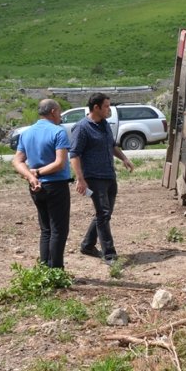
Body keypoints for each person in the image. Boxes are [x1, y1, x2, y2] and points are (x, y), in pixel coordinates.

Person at [70, 93, 134, 264]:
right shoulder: (82, 127)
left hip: (109, 175)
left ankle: (87, 245)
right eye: (106, 106)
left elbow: (112, 145)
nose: (109, 109)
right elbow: (74, 155)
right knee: (103, 213)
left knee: (104, 213)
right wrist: (80, 179)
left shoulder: (105, 124)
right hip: (94, 177)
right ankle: (110, 254)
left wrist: (124, 159)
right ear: (96, 107)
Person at [11, 99, 71, 268]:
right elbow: (60, 163)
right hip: (56, 185)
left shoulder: (27, 133)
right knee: (58, 230)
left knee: (46, 230)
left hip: (36, 188)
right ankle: (56, 271)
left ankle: (44, 269)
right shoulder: (58, 132)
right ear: (53, 111)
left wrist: (31, 177)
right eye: (59, 112)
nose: (60, 116)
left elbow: (17, 161)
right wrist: (36, 173)